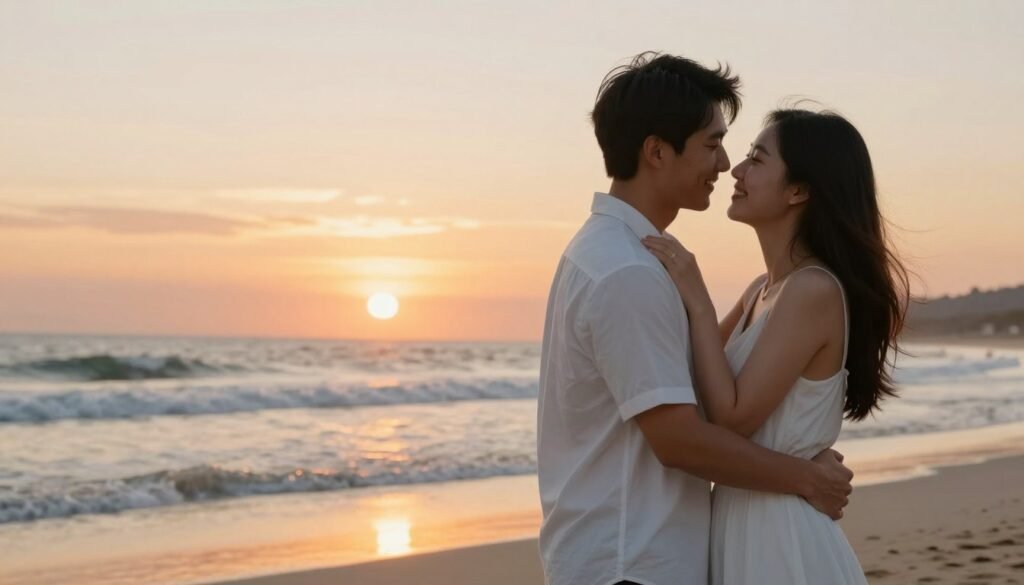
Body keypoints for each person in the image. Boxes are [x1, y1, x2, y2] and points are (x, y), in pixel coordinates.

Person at [537, 52, 853, 585]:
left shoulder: (624, 255)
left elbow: (705, 386)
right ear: (657, 152)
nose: (725, 164)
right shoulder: (627, 270)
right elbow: (679, 438)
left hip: (638, 555)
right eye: (712, 144)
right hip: (630, 562)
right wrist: (806, 477)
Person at [643, 108, 910, 584]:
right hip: (744, 520)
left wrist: (699, 302)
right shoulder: (760, 292)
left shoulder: (812, 290)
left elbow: (732, 416)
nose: (737, 170)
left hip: (780, 535)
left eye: (757, 159)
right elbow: (687, 382)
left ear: (798, 191)